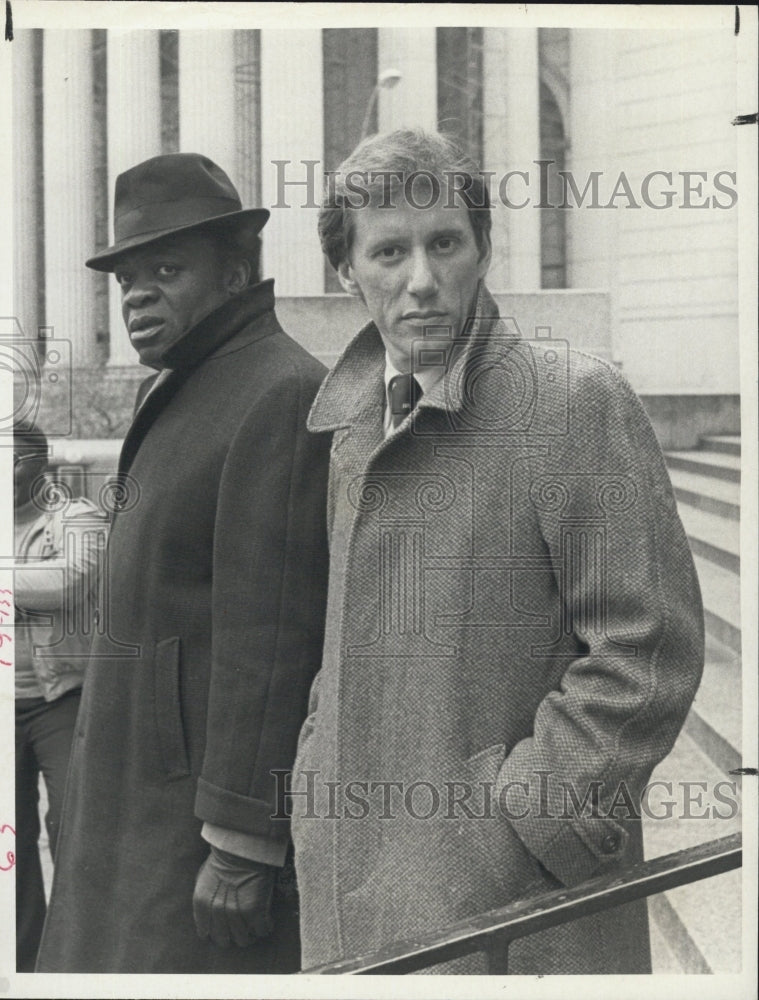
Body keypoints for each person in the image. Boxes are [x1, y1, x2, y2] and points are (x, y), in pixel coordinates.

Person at [290, 129, 705, 974]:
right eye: (388, 252)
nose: (420, 280)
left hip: (512, 916)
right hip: (355, 887)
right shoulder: (351, 433)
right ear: (347, 274)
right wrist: (313, 775)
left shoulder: (571, 400)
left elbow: (647, 650)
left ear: (481, 249)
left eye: (444, 243)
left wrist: (519, 824)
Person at [37, 153, 330, 973]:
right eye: (127, 276)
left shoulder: (278, 391)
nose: (136, 293)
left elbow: (272, 637)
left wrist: (243, 841)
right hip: (128, 802)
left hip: (189, 831)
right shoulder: (183, 385)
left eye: (166, 268)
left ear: (237, 270)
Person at [13, 421, 107, 971]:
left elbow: (69, 581)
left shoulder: (76, 517)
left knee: (74, 829)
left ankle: (79, 963)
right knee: (10, 843)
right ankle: (26, 967)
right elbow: (41, 587)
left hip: (61, 699)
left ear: (35, 465)